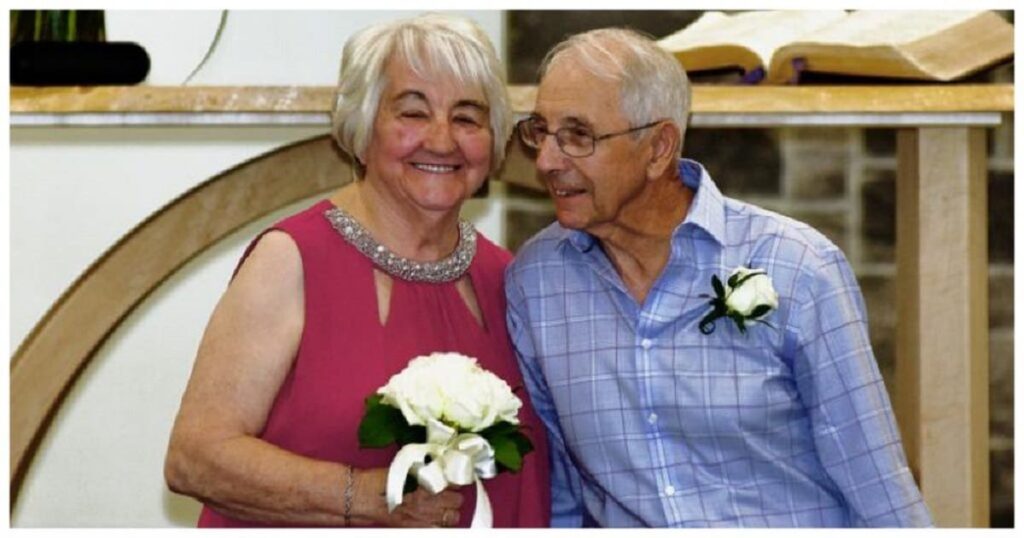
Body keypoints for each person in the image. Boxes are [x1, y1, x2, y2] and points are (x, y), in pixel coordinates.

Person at [505, 27, 932, 527]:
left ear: (659, 148)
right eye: (541, 131)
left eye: (578, 136)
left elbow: (877, 488)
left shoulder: (798, 266)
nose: (547, 161)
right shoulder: (537, 282)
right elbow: (558, 496)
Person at [164, 13, 550, 528]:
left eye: (467, 118)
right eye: (413, 113)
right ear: (363, 126)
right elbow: (195, 457)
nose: (442, 140)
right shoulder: (292, 260)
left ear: (494, 140)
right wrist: (369, 496)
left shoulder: (508, 279)